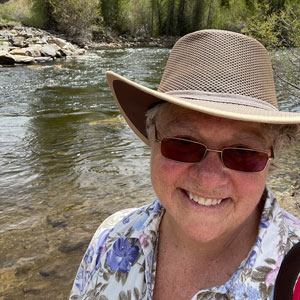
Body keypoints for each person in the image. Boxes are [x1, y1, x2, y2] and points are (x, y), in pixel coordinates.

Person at [69, 29, 300, 300]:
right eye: (183, 144)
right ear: (151, 138)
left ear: (270, 160)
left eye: (242, 152)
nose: (209, 179)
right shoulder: (110, 237)